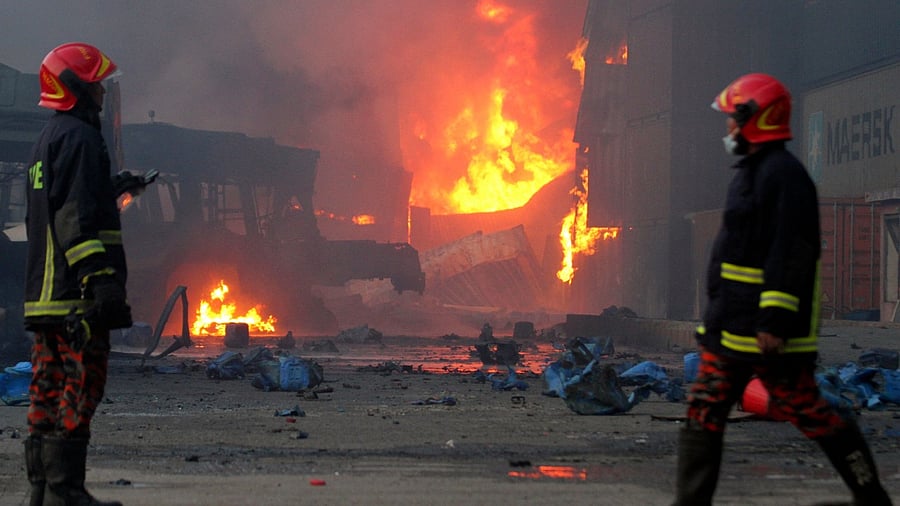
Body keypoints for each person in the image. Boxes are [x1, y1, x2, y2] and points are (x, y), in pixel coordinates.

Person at [673, 73, 892, 505]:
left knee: (811, 413)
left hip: (768, 336)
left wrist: (773, 322)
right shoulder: (749, 174)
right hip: (731, 330)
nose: (728, 129)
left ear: (756, 118)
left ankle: (871, 496)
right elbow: (735, 257)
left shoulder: (785, 177)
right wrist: (712, 323)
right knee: (702, 413)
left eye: (733, 120)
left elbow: (790, 254)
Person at [24, 42, 132, 506]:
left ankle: (43, 491)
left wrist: (114, 190)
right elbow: (75, 219)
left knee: (45, 388)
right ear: (76, 87)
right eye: (97, 84)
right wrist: (101, 282)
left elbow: (65, 204)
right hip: (75, 295)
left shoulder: (49, 138)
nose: (104, 92)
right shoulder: (83, 139)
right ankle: (66, 492)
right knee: (82, 385)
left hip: (45, 295)